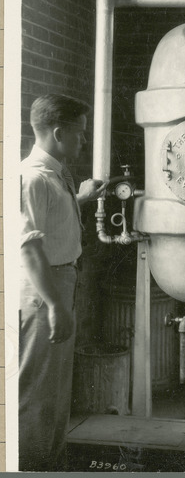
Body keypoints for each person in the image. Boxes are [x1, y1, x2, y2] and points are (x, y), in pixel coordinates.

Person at [19, 94, 106, 471]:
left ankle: (52, 463)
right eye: (80, 134)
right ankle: (33, 466)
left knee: (53, 390)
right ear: (58, 133)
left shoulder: (55, 176)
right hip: (44, 290)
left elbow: (49, 227)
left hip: (60, 282)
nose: (84, 141)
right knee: (38, 391)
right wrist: (54, 304)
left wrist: (81, 199)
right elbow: (29, 248)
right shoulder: (32, 178)